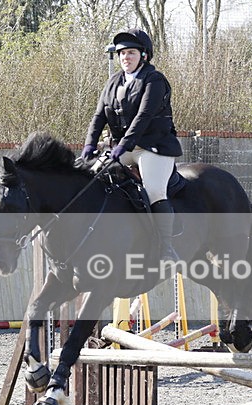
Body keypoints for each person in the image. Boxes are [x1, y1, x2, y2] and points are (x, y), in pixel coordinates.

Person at [81, 28, 182, 262]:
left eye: (131, 53)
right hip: (122, 148)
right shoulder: (113, 81)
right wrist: (89, 145)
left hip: (153, 148)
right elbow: (98, 117)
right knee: (91, 178)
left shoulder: (155, 80)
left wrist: (123, 146)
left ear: (144, 56)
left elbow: (144, 116)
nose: (126, 57)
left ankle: (166, 248)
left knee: (155, 190)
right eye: (122, 53)